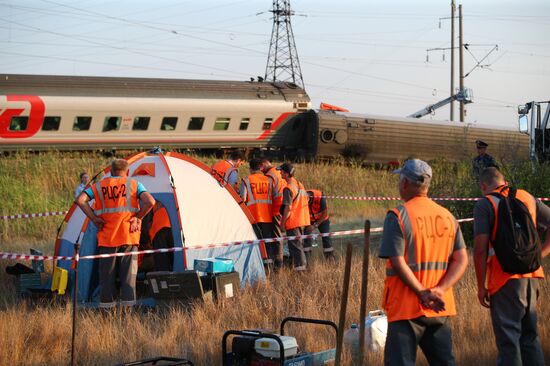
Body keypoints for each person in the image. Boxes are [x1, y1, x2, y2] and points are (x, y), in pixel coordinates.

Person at [379, 159, 468, 366]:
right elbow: (462, 258)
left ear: (405, 183)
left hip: (405, 307)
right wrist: (439, 290)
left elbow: (397, 261)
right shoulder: (447, 217)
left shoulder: (398, 215)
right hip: (439, 307)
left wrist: (422, 292)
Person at [473, 167, 550, 366]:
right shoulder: (527, 197)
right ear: (503, 179)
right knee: (530, 338)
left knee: (509, 343)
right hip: (532, 276)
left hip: (504, 280)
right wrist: (539, 255)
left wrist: (481, 286)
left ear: (484, 185)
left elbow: (480, 250)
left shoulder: (485, 203)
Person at [76, 159, 155, 308]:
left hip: (107, 239)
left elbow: (81, 200)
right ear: (128, 172)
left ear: (111, 172)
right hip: (128, 238)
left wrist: (93, 218)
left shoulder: (99, 186)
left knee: (106, 280)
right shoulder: (134, 184)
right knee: (128, 280)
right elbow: (150, 202)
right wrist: (138, 217)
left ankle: (107, 315)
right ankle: (128, 314)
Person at [240, 158, 275, 263]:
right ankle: (269, 265)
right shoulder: (269, 180)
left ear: (250, 169)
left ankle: (259, 264)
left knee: (257, 243)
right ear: (260, 167)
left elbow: (243, 199)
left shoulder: (246, 180)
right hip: (267, 216)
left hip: (253, 217)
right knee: (268, 242)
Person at [279, 163, 310, 271]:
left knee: (296, 248)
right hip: (302, 220)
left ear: (286, 174)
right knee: (297, 246)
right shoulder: (299, 184)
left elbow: (287, 208)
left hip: (293, 221)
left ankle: (301, 271)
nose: (280, 173)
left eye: (281, 171)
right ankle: (298, 268)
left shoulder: (288, 188)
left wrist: (282, 224)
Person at [261, 156, 287, 265]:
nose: (261, 170)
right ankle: (279, 259)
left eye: (261, 167)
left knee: (277, 236)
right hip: (282, 207)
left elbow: (269, 194)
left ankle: (278, 261)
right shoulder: (278, 172)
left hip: (276, 208)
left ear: (264, 164)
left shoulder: (269, 176)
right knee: (279, 235)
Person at [139, 200, 173, 272]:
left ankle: (164, 281)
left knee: (162, 265)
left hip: (158, 228)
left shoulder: (147, 198)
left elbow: (145, 224)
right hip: (174, 227)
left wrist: (145, 241)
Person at [303, 189, 335, 261]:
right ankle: (306, 261)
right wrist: (307, 225)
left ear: (310, 199)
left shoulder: (319, 196)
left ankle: (330, 259)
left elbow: (325, 213)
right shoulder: (301, 200)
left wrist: (314, 226)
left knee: (326, 237)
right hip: (309, 221)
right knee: (306, 239)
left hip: (322, 219)